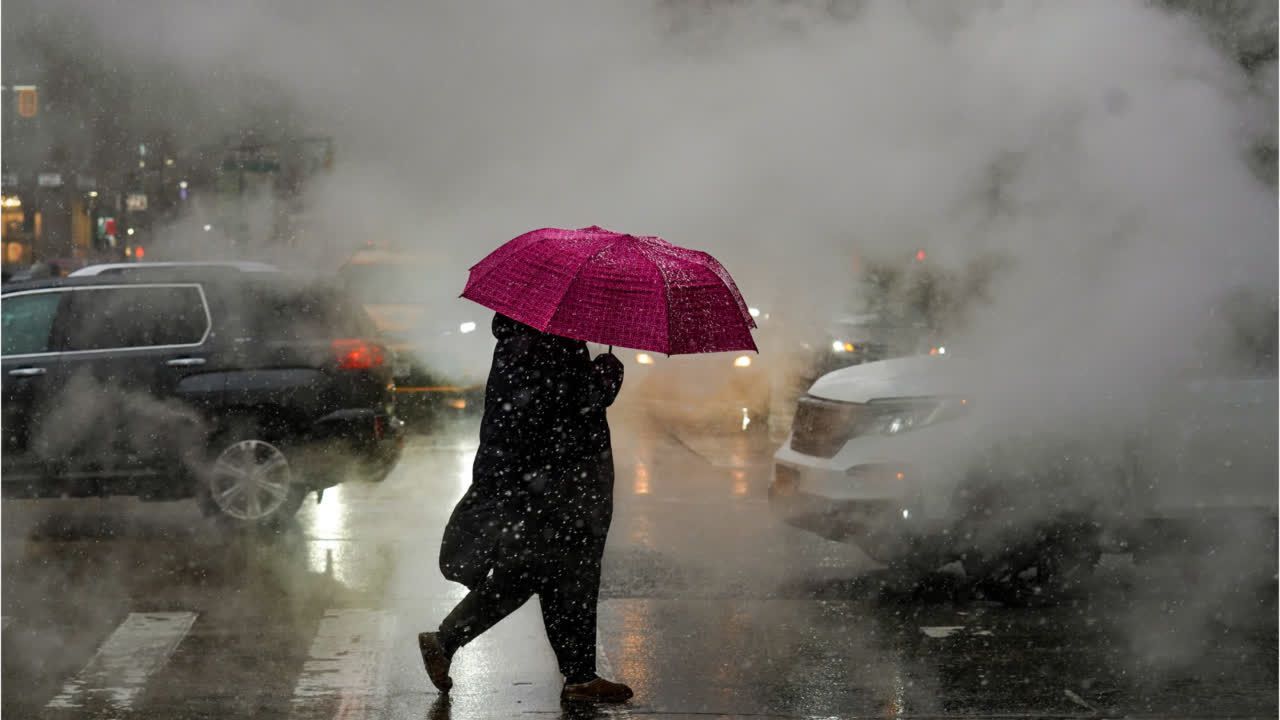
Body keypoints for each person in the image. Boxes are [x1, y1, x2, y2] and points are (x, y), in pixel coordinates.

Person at [419, 313, 634, 703]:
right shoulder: (545, 346)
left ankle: (580, 676)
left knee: (551, 577)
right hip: (553, 487)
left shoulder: (530, 342)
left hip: (544, 484)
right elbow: (563, 410)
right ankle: (447, 640)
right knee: (556, 576)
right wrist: (604, 379)